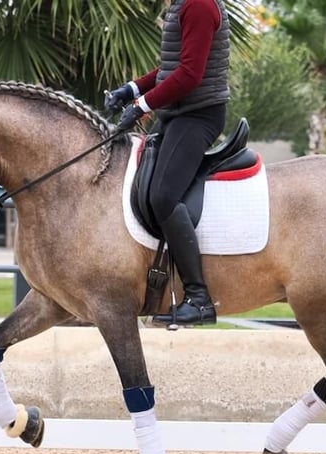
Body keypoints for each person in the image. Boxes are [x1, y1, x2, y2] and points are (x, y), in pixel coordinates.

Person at [104, 0, 230, 326]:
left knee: (163, 196)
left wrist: (141, 105)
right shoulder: (181, 4)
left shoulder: (199, 5)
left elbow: (189, 74)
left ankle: (199, 298)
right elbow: (170, 68)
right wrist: (130, 89)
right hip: (176, 112)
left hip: (198, 115)